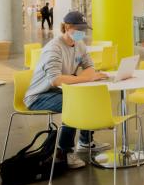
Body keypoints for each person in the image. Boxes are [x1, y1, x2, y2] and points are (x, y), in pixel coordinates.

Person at [24, 11, 110, 169]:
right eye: (79, 29)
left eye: (84, 30)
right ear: (67, 27)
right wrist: (86, 78)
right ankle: (64, 151)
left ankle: (85, 141)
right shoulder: (54, 48)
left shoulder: (80, 45)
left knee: (86, 97)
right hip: (39, 96)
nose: (82, 33)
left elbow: (90, 67)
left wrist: (85, 76)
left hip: (58, 89)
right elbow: (56, 80)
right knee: (73, 104)